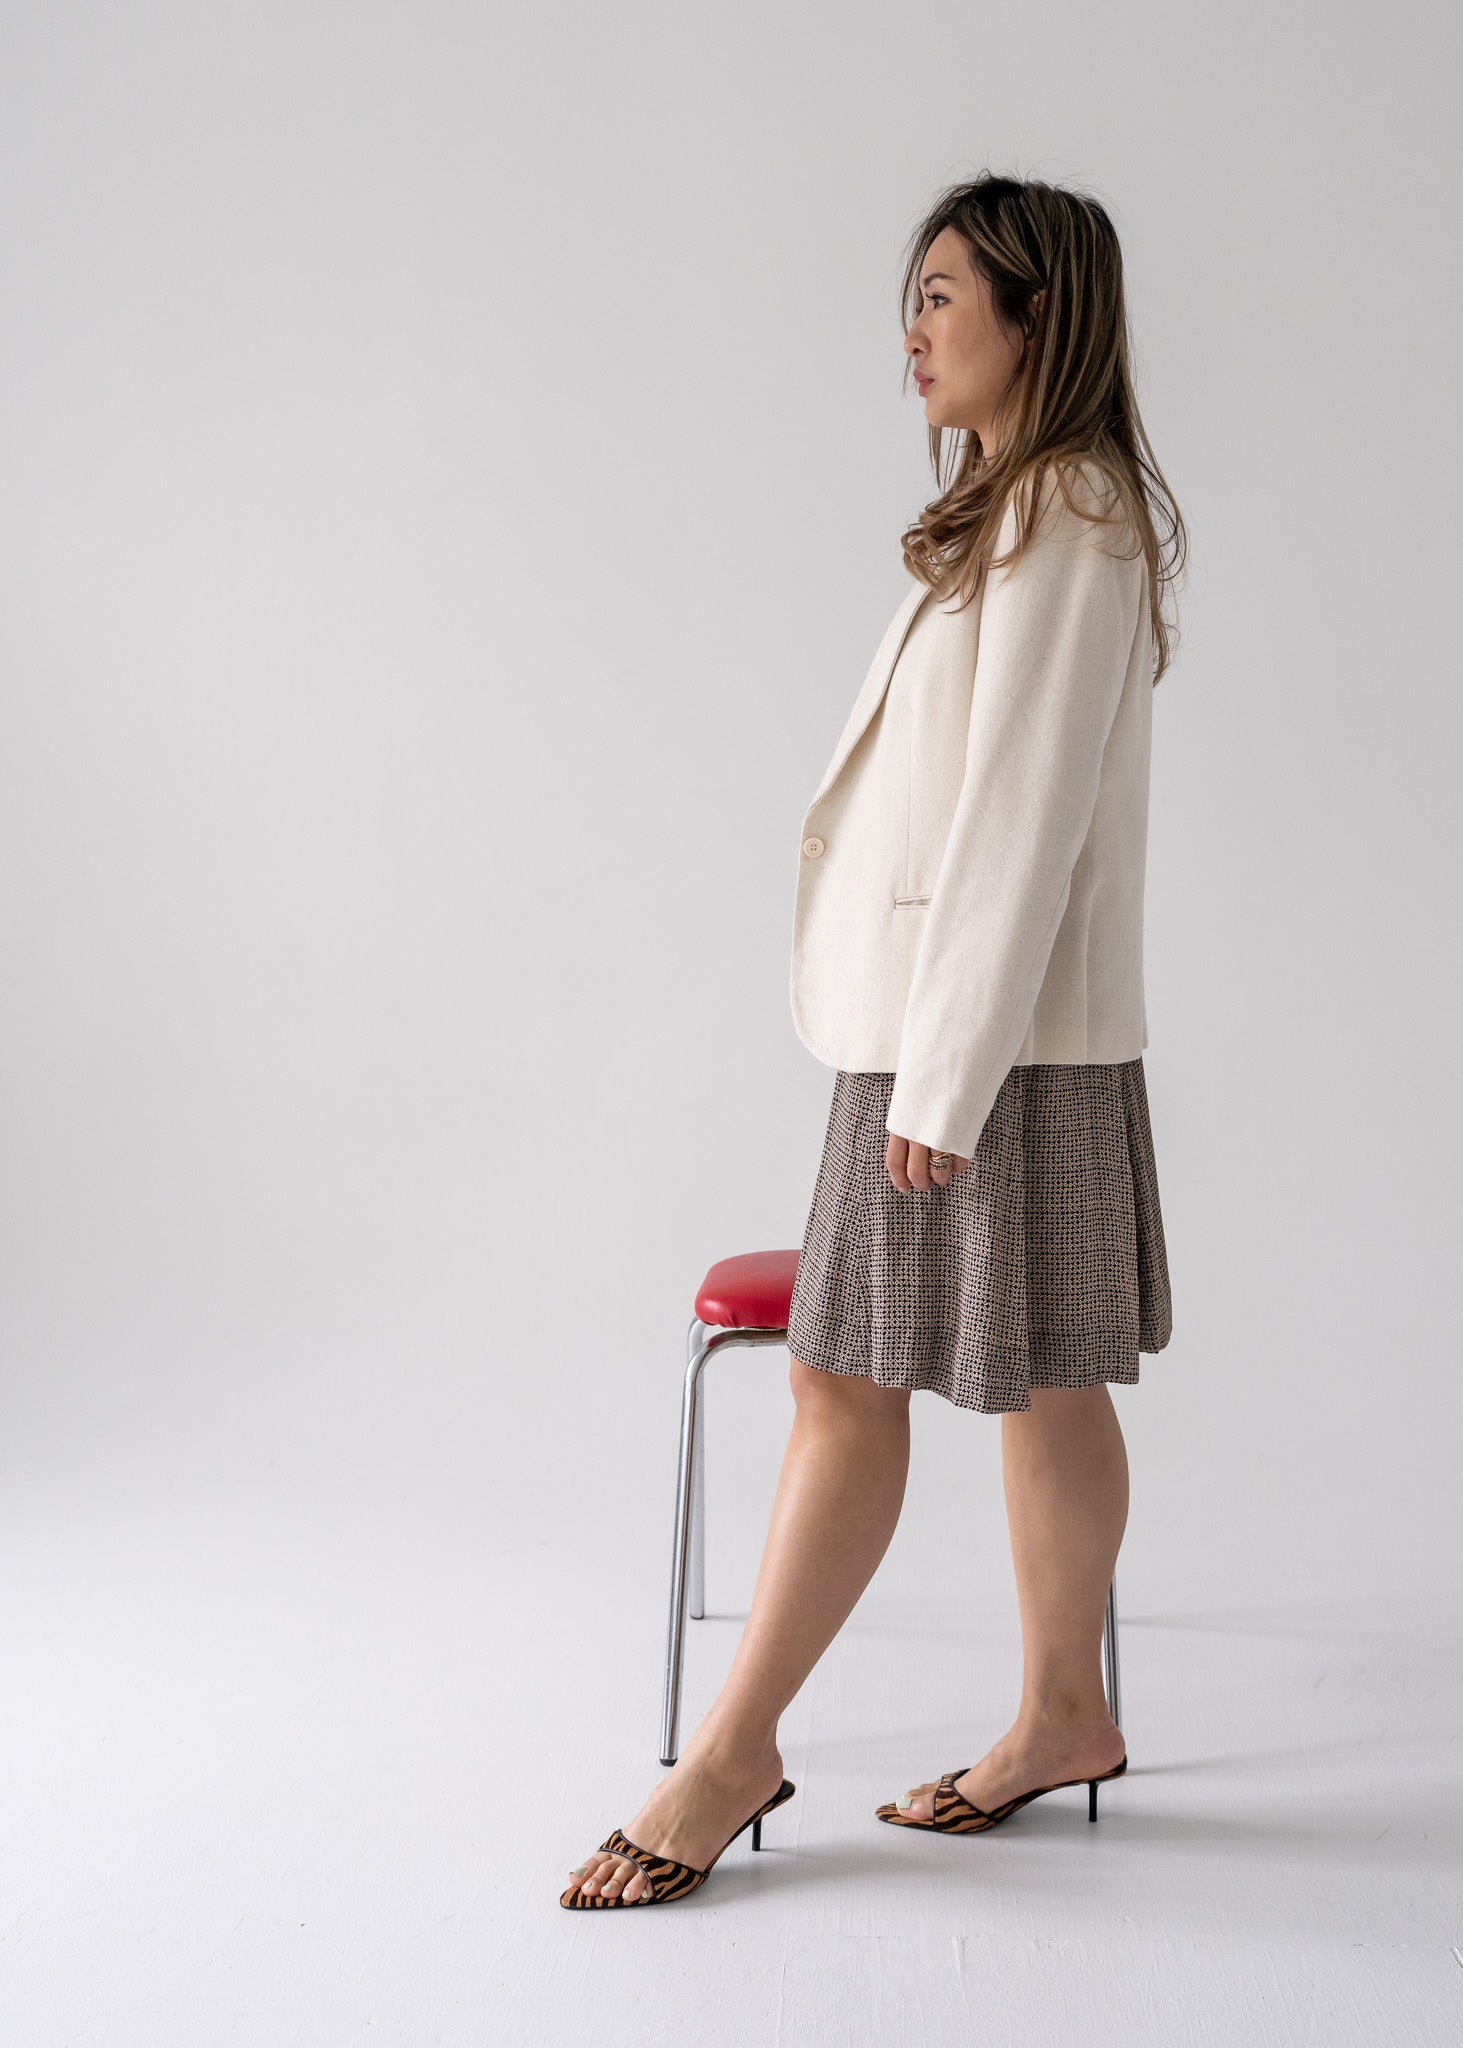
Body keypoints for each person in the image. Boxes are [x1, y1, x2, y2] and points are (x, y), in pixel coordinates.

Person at [560, 169, 1186, 1910]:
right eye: (906, 298)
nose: (910, 330)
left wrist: (948, 1076)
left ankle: (730, 1752)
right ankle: (1067, 1708)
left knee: (847, 1380)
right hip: (971, 1034)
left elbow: (1024, 819)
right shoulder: (1023, 499)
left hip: (977, 1041)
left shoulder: (1071, 505)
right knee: (1039, 1376)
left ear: (1036, 314)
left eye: (940, 295)